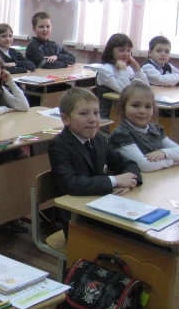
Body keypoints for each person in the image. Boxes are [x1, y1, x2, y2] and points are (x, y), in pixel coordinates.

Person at [48, 88, 141, 220]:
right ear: (65, 119)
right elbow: (71, 184)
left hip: (103, 204)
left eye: (96, 113)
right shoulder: (59, 145)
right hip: (77, 216)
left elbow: (128, 163)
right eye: (84, 114)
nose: (93, 119)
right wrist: (115, 181)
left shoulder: (98, 139)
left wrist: (131, 181)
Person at [109, 81, 179, 172]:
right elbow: (144, 165)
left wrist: (163, 153)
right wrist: (171, 163)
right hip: (134, 182)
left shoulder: (155, 130)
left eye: (148, 107)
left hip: (157, 177)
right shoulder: (121, 135)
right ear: (123, 108)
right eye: (135, 105)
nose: (142, 111)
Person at [95, 33, 148, 119]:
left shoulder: (127, 68)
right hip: (108, 116)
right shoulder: (105, 70)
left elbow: (145, 87)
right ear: (111, 51)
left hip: (123, 113)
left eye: (128, 51)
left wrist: (136, 67)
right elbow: (124, 89)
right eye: (122, 50)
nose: (126, 54)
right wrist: (122, 69)